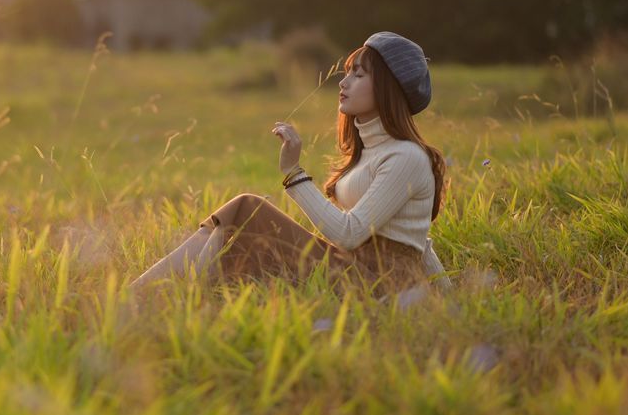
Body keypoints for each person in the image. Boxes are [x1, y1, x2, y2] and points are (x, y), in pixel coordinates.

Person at [130, 31, 452, 295]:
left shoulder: (405, 157)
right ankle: (157, 294)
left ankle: (152, 296)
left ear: (387, 89)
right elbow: (417, 236)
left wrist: (294, 175)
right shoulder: (373, 151)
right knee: (242, 217)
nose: (343, 83)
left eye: (358, 74)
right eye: (346, 73)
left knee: (247, 209)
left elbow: (351, 234)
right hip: (352, 269)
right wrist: (448, 292)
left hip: (376, 284)